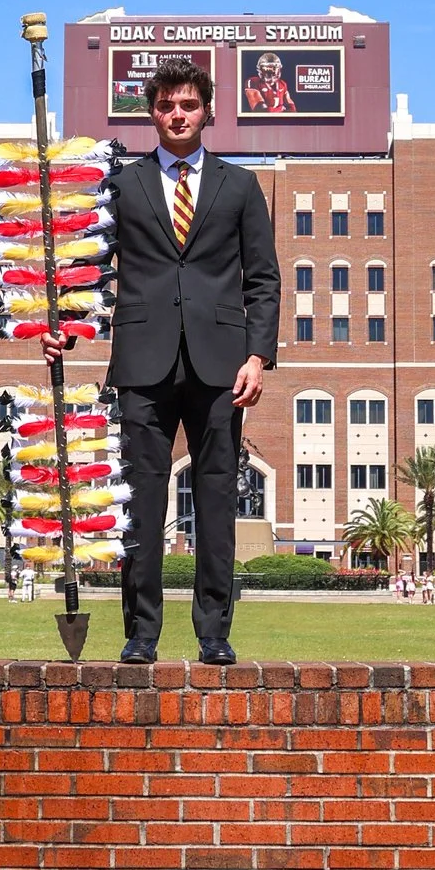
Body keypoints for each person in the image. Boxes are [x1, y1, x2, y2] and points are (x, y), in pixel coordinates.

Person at [98, 53, 280, 661]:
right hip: (142, 363)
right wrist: (62, 332)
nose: (177, 114)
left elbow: (264, 280)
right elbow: (85, 273)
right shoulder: (121, 186)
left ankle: (215, 636)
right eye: (166, 104)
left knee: (217, 501)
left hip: (222, 367)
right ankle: (141, 637)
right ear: (152, 112)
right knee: (142, 505)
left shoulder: (241, 186)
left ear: (207, 112)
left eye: (189, 104)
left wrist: (259, 357)